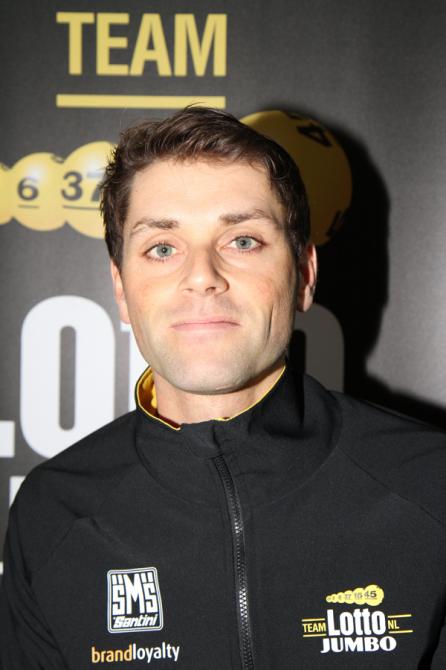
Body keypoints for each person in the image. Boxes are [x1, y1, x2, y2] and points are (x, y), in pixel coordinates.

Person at [1, 107, 446, 669]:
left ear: (305, 276)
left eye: (243, 240)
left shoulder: (432, 484)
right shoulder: (52, 513)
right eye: (163, 248)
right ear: (120, 288)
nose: (201, 276)